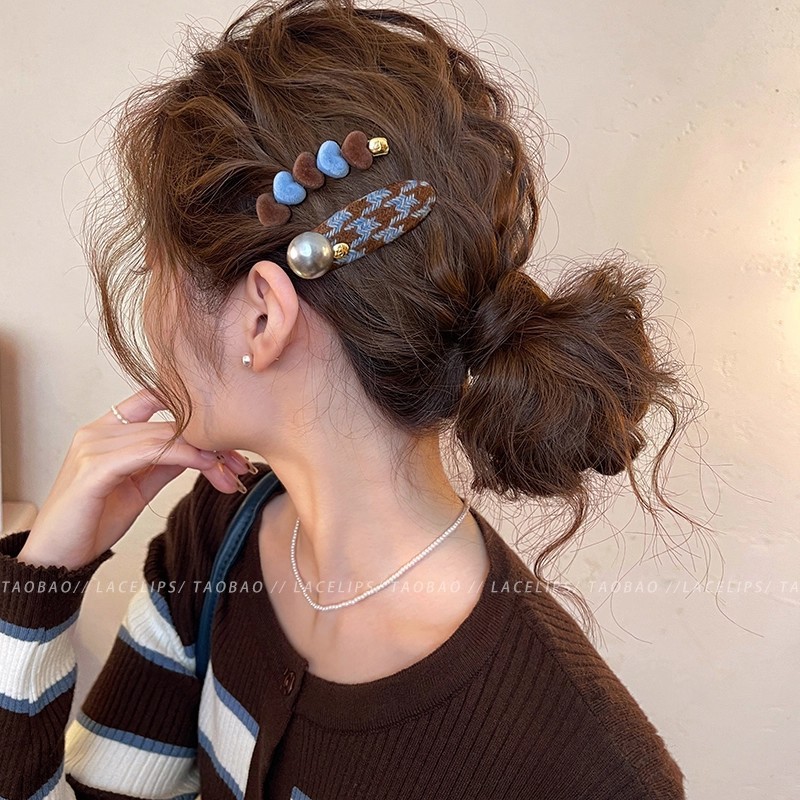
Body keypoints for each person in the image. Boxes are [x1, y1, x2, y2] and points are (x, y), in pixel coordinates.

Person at [0, 0, 694, 797]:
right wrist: (42, 577)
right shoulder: (217, 539)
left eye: (158, 271)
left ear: (264, 316)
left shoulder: (588, 772)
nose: (152, 315)